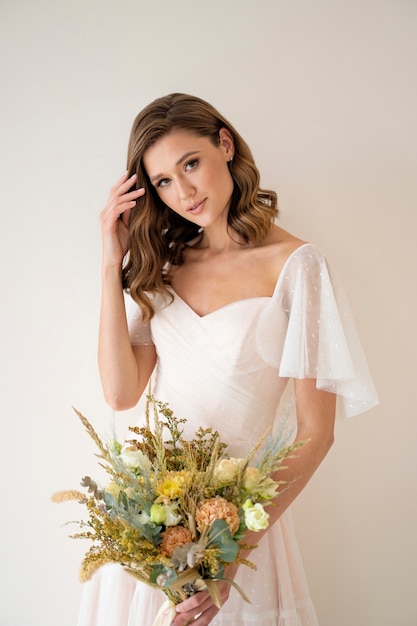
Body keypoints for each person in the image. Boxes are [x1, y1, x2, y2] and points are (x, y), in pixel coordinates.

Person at [77, 93, 378, 626]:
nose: (184, 192)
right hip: (152, 526)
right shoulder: (167, 266)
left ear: (224, 144)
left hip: (237, 531)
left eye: (190, 163)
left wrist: (228, 555)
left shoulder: (297, 267)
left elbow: (315, 431)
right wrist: (110, 264)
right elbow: (121, 393)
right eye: (164, 181)